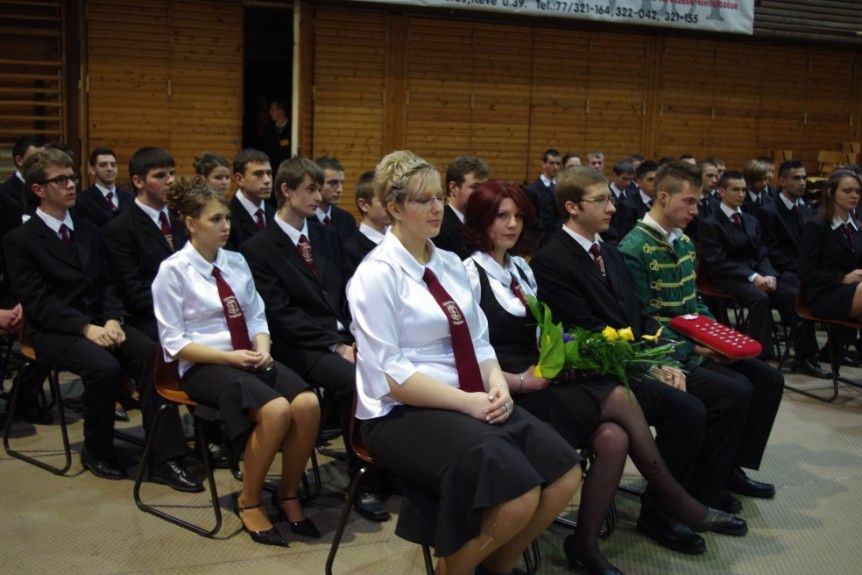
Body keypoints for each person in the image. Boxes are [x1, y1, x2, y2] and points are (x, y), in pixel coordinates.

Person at [462, 180, 746, 574]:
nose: (512, 224)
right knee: (621, 397)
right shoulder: (468, 274)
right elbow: (468, 355)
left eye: (518, 216)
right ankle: (679, 502)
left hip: (546, 377)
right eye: (501, 216)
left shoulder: (521, 268)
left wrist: (561, 360)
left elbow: (551, 335)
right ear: (481, 221)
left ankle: (585, 544)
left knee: (614, 438)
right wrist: (520, 380)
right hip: (511, 389)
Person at [347, 150, 581, 575]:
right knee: (518, 495)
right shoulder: (375, 274)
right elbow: (391, 375)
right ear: (395, 208)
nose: (436, 207)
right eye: (423, 200)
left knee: (565, 473)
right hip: (400, 412)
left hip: (470, 396)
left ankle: (495, 567)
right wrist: (468, 402)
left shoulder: (449, 263)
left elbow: (479, 341)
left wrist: (497, 384)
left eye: (438, 197)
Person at [152, 176, 320, 546]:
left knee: (307, 404)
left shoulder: (236, 261)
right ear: (191, 223)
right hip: (203, 365)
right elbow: (174, 343)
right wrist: (228, 357)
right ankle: (250, 500)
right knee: (276, 410)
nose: (226, 226)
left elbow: (256, 315)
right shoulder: (173, 271)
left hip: (247, 356)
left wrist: (264, 347)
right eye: (215, 219)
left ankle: (288, 493)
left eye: (227, 217)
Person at [617, 162, 783, 509]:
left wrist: (719, 339)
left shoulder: (684, 243)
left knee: (768, 378)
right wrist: (695, 348)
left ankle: (728, 468)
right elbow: (641, 320)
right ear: (663, 197)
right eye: (689, 201)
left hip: (696, 343)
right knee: (735, 391)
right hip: (666, 351)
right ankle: (704, 487)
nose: (696, 210)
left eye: (698, 201)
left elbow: (695, 304)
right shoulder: (634, 248)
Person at [241, 156, 389, 522]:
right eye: (310, 189)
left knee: (394, 368)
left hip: (341, 336)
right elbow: (280, 314)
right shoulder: (260, 247)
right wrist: (335, 344)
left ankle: (390, 461)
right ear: (286, 191)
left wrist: (359, 335)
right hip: (298, 345)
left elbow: (347, 293)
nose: (319, 196)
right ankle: (363, 479)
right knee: (357, 381)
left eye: (318, 189)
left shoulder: (325, 235)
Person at [3, 148, 156, 480]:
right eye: (61, 180)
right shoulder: (20, 240)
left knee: (147, 351)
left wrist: (113, 318)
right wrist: (87, 328)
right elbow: (38, 303)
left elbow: (108, 283)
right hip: (51, 330)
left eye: (72, 178)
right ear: (38, 189)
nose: (71, 184)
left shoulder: (89, 230)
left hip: (98, 322)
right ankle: (97, 449)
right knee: (104, 367)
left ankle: (161, 447)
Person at [100, 147, 203, 491]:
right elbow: (132, 292)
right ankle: (164, 458)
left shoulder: (181, 220)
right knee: (154, 355)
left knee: (223, 340)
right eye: (160, 175)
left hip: (184, 312)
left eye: (172, 173)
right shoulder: (120, 228)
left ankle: (215, 437)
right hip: (142, 317)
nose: (170, 181)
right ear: (138, 181)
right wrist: (183, 308)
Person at [699, 170, 798, 359]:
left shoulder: (750, 219)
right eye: (735, 189)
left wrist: (769, 275)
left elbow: (762, 252)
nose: (741, 194)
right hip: (728, 277)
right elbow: (718, 261)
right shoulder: (711, 223)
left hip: (757, 274)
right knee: (759, 298)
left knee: (792, 294)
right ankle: (761, 355)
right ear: (721, 192)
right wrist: (752, 276)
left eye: (743, 190)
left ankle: (804, 355)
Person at [756, 160, 829, 377]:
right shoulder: (768, 211)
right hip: (780, 273)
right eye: (796, 178)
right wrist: (803, 270)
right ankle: (805, 357)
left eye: (804, 178)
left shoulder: (806, 209)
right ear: (782, 181)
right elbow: (771, 251)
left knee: (842, 291)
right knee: (797, 297)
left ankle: (833, 351)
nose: (802, 183)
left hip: (804, 271)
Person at [799, 169, 862, 322]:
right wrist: (842, 278)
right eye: (847, 191)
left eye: (857, 191)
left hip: (854, 288)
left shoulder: (857, 226)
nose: (854, 195)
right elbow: (806, 272)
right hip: (826, 293)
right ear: (831, 193)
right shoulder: (816, 226)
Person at [432, 156, 490, 259]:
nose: (482, 193)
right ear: (453, 188)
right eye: (475, 187)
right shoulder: (439, 225)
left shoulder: (484, 223)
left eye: (485, 187)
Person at [227, 148, 274, 250]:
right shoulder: (226, 217)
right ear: (239, 179)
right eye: (258, 174)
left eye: (269, 173)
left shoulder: (275, 214)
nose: (267, 180)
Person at [343, 169, 389, 268]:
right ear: (364, 205)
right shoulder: (351, 250)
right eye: (384, 200)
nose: (392, 205)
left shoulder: (400, 239)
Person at [77, 147, 132, 227]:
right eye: (103, 165)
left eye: (113, 165)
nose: (110, 168)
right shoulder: (83, 200)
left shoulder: (129, 198)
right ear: (93, 170)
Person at [310, 155, 357, 243]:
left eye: (342, 183)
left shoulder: (347, 220)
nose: (340, 190)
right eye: (333, 183)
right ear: (317, 183)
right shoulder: (303, 218)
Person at [523, 148, 563, 251]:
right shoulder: (531, 189)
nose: (555, 167)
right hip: (539, 239)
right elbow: (530, 218)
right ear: (544, 164)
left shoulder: (562, 189)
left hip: (559, 237)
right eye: (551, 163)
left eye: (558, 164)